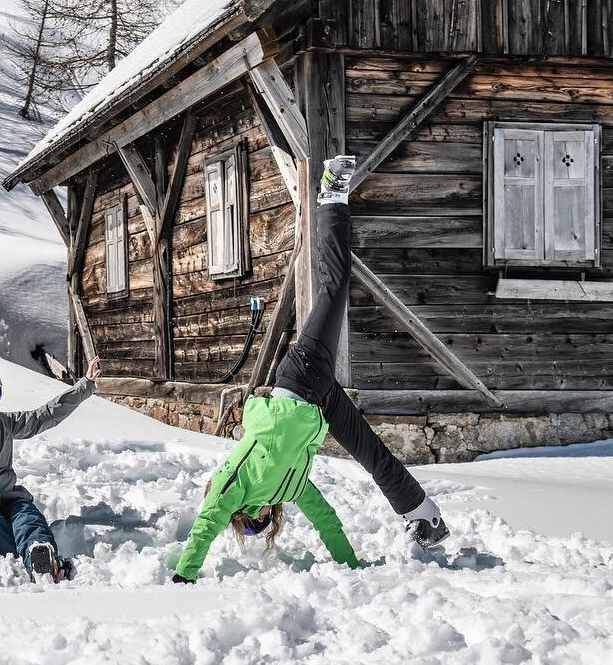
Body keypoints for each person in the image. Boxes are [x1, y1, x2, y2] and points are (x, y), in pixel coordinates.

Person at [173, 155, 450, 583]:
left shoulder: (234, 487)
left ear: (246, 514)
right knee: (370, 452)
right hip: (317, 403)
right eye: (262, 523)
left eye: (252, 522)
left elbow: (205, 527)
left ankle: (331, 195)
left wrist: (184, 576)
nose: (261, 518)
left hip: (299, 379)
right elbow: (325, 520)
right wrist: (351, 567)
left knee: (334, 287)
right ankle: (424, 515)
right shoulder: (290, 486)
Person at [0, 351, 101, 582]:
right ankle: (27, 560)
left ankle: (40, 554)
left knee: (27, 516)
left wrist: (84, 386)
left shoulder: (2, 423)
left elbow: (45, 415)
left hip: (8, 498)